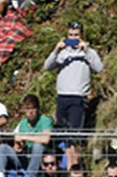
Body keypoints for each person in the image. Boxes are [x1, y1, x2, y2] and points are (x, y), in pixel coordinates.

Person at [43, 20, 103, 168]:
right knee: (65, 138)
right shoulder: (63, 53)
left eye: (76, 35)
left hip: (78, 98)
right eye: (70, 35)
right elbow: (47, 66)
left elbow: (99, 68)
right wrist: (56, 50)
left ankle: (75, 170)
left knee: (74, 138)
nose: (73, 38)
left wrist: (86, 50)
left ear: (81, 36)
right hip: (62, 97)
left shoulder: (89, 52)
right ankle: (68, 168)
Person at [0, 94, 53, 177]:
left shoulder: (45, 120)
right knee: (2, 148)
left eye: (33, 109)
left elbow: (46, 139)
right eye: (27, 109)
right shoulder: (22, 123)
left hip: (40, 158)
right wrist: (18, 145)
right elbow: (18, 145)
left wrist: (25, 137)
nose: (30, 112)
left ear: (37, 109)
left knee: (38, 146)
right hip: (25, 156)